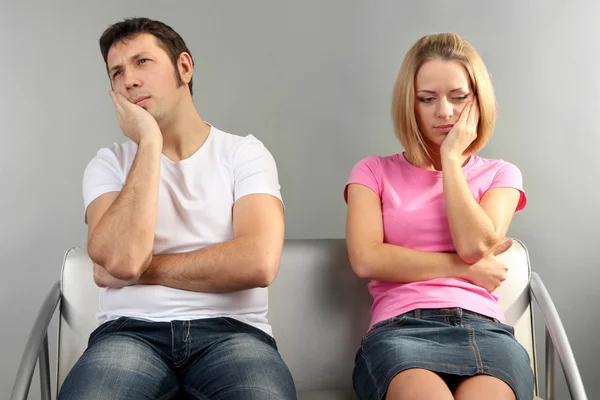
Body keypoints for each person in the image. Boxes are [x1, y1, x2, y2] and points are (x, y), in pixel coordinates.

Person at [58, 17, 296, 400]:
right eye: (117, 72)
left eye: (142, 62)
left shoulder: (245, 153)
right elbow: (117, 261)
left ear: (184, 68)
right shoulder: (108, 164)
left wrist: (139, 270)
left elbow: (257, 262)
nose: (129, 80)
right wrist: (149, 141)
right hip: (129, 333)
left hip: (232, 334)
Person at [344, 33, 534, 400]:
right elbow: (367, 259)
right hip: (400, 329)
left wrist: (450, 159)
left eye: (459, 98)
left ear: (478, 103)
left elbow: (475, 245)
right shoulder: (372, 172)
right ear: (409, 104)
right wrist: (464, 270)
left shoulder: (501, 174)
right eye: (427, 99)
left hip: (483, 329)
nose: (444, 112)